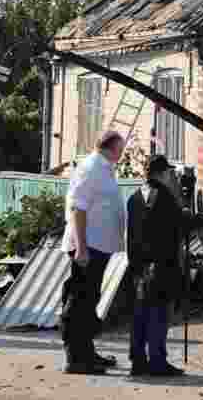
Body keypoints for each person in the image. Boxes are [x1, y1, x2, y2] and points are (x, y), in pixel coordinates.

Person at [60, 130, 127, 375]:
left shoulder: (104, 168)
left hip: (98, 246)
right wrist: (81, 247)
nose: (122, 153)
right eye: (120, 149)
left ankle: (87, 352)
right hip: (87, 246)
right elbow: (78, 208)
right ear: (109, 148)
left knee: (89, 301)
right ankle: (76, 358)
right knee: (80, 301)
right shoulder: (90, 168)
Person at [125, 154, 187, 377]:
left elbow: (131, 235)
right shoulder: (165, 197)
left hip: (139, 265)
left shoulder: (133, 198)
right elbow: (179, 225)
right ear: (162, 174)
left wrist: (133, 264)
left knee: (140, 315)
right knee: (159, 314)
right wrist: (200, 220)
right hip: (162, 263)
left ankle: (138, 360)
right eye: (169, 173)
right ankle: (158, 361)